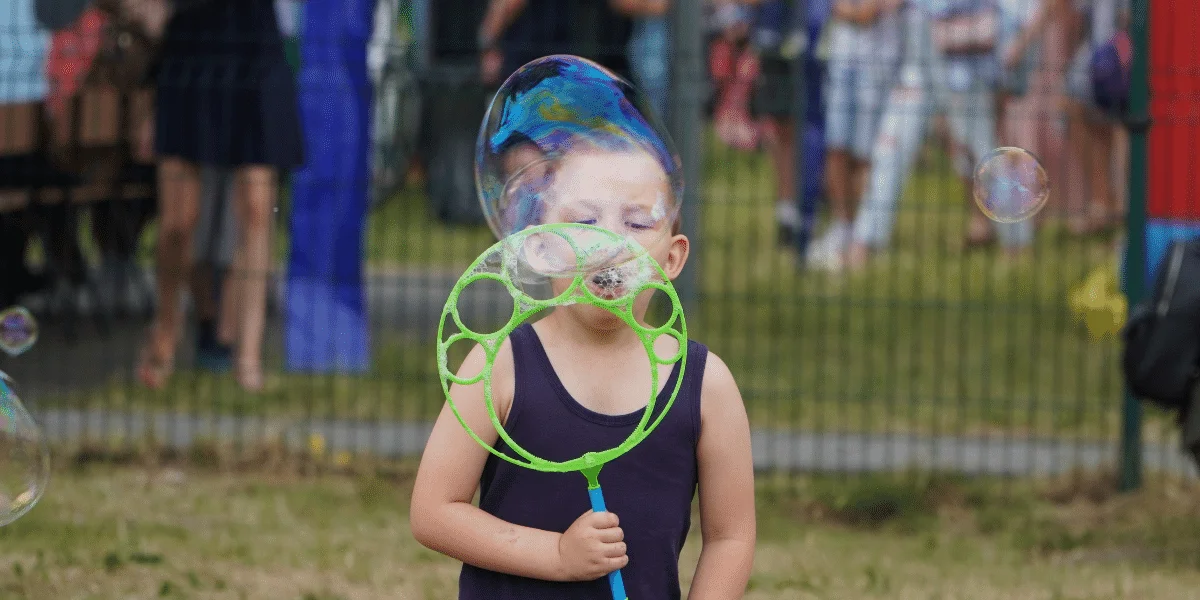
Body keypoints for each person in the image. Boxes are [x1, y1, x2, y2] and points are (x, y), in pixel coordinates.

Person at [410, 108, 756, 598]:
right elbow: (433, 511)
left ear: (672, 257)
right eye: (585, 220)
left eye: (636, 222)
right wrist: (555, 555)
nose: (609, 242)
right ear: (542, 245)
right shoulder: (500, 366)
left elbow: (731, 537)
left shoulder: (704, 384)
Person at [138, 0, 303, 391]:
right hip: (192, 42)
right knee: (179, 220)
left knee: (258, 209)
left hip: (253, 42)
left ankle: (248, 357)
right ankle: (165, 329)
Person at [846, 0, 1035, 268]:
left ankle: (1018, 243)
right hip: (920, 51)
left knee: (986, 152)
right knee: (891, 148)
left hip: (965, 61)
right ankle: (864, 241)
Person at [805, 0, 902, 271]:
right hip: (841, 55)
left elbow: (877, 10)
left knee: (865, 152)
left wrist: (859, 11)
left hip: (879, 61)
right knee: (836, 147)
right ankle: (843, 228)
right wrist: (856, 12)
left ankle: (862, 234)